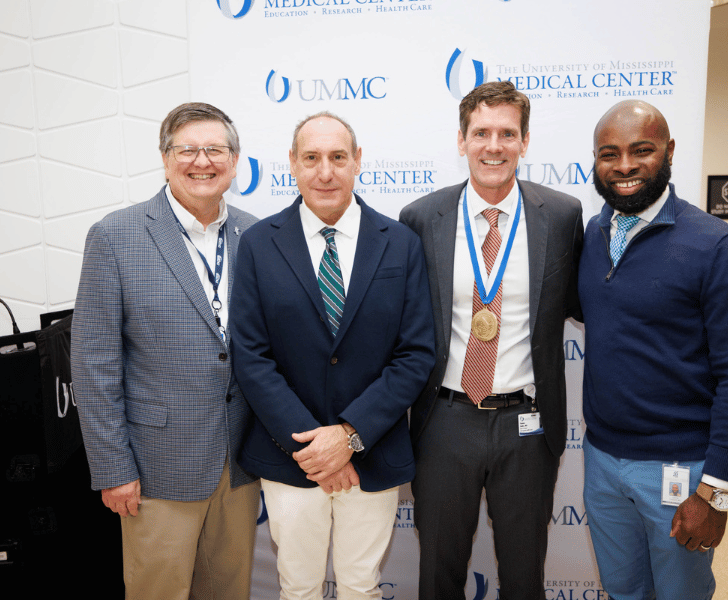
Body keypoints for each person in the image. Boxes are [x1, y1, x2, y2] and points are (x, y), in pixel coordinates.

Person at [229, 111, 436, 600]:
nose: (326, 171)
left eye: (338, 157)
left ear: (358, 161)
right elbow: (253, 357)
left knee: (361, 586)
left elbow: (414, 354)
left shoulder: (400, 244)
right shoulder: (259, 244)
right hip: (291, 455)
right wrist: (315, 449)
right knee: (297, 587)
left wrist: (349, 435)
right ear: (293, 165)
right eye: (312, 158)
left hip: (373, 451)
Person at [399, 81, 584, 600]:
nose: (494, 146)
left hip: (526, 423)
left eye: (507, 133)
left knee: (525, 576)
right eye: (481, 133)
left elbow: (583, 304)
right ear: (461, 140)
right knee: (438, 572)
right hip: (445, 421)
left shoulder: (563, 215)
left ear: (525, 142)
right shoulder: (421, 218)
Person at [579, 100, 728, 600]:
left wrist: (716, 493)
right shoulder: (593, 237)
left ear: (669, 153)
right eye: (609, 153)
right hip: (601, 461)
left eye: (642, 150)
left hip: (682, 471)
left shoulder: (717, 247)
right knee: (622, 591)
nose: (624, 166)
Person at [72, 102, 261, 599]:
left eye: (215, 150)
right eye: (188, 150)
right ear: (164, 157)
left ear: (235, 160)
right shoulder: (116, 236)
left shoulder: (256, 233)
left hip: (240, 461)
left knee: (229, 591)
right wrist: (113, 469)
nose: (202, 161)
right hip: (156, 468)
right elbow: (94, 365)